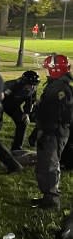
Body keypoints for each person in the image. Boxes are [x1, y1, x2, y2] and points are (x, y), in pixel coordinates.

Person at [31, 55, 73, 210]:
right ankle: (47, 196)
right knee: (44, 164)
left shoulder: (61, 88)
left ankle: (52, 200)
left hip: (53, 132)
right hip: (49, 130)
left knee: (49, 165)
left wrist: (47, 129)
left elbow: (64, 114)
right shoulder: (57, 85)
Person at [1, 70, 39, 152]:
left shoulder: (33, 88)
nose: (32, 87)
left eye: (34, 85)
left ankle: (16, 148)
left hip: (14, 107)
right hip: (0, 105)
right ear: (24, 82)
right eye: (30, 85)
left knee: (22, 123)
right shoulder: (11, 85)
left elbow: (30, 101)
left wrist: (26, 113)